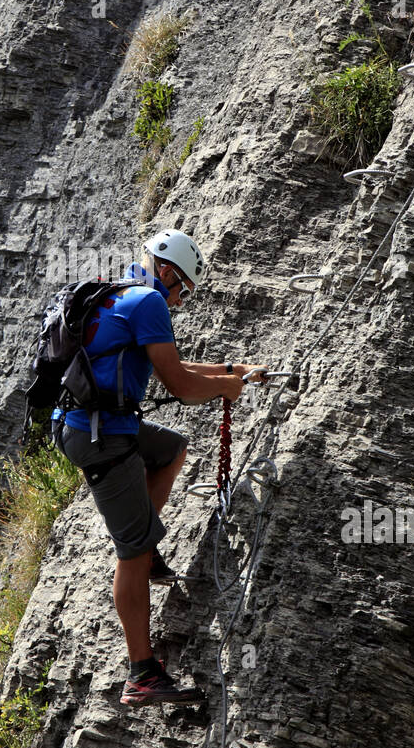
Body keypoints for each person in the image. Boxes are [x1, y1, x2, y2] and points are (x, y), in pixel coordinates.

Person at [51, 229, 268, 707]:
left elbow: (172, 362)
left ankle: (146, 552)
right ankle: (142, 674)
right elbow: (180, 384)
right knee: (132, 549)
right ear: (169, 272)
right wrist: (222, 391)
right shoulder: (150, 301)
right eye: (184, 290)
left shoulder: (120, 292)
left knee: (170, 449)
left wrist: (230, 372)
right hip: (103, 436)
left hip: (88, 424)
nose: (182, 301)